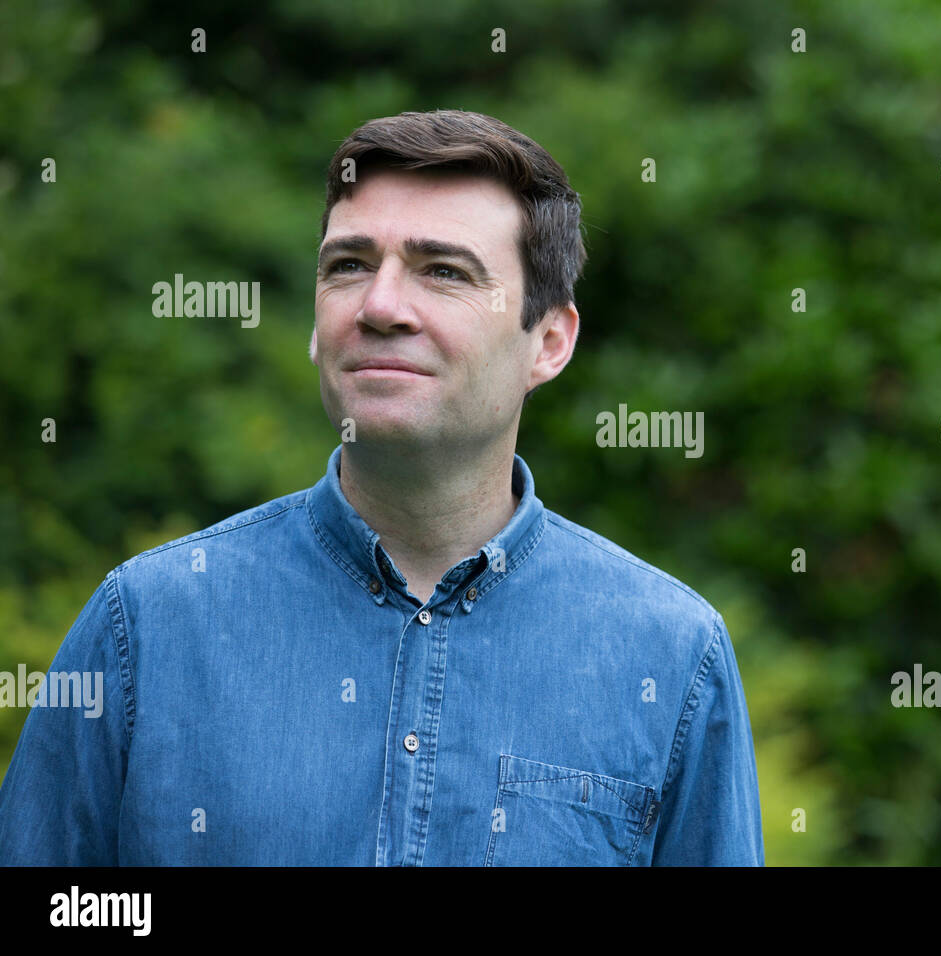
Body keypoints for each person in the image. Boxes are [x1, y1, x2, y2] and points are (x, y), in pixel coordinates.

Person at [0, 109, 764, 866]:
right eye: (349, 265)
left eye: (444, 271)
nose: (380, 306)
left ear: (551, 342)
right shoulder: (148, 625)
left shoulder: (669, 654)